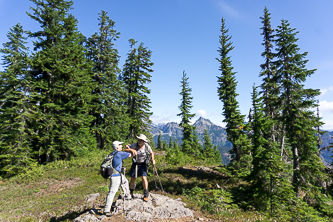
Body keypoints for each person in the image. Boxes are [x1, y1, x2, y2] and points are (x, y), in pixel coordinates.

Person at [104, 140, 137, 216]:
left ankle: (127, 197)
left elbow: (114, 163)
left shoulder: (113, 153)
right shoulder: (120, 153)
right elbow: (133, 154)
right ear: (117, 146)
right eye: (120, 145)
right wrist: (129, 149)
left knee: (125, 181)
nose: (122, 146)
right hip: (115, 176)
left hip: (115, 174)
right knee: (112, 192)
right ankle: (106, 210)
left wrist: (120, 168)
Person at [125, 134, 155, 202]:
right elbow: (126, 150)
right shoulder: (135, 145)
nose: (139, 141)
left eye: (141, 140)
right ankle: (131, 193)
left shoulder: (147, 146)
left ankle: (146, 195)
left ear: (144, 141)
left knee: (144, 178)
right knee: (133, 178)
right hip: (135, 164)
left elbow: (151, 152)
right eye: (139, 140)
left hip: (143, 164)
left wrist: (153, 159)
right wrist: (131, 150)